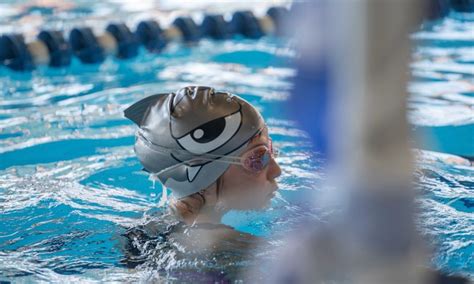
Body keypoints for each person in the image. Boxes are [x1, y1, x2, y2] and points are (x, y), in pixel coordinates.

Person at [122, 86, 281, 274]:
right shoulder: (247, 253)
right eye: (258, 159)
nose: (276, 170)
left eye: (271, 151)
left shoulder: (138, 231)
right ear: (202, 177)